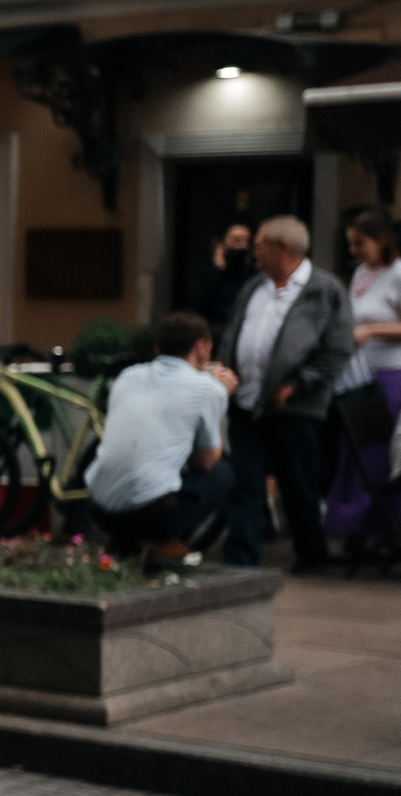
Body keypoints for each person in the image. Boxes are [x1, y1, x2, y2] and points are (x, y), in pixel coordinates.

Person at [215, 214, 354, 572]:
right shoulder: (253, 287)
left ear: (282, 247)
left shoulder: (324, 290)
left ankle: (312, 555)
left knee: (298, 486)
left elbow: (337, 350)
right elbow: (233, 332)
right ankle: (240, 558)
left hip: (294, 407)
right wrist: (226, 367)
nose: (252, 254)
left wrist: (296, 385)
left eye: (258, 245)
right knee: (244, 484)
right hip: (245, 402)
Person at [86, 311, 233, 558]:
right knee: (223, 471)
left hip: (99, 510)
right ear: (201, 347)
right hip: (151, 517)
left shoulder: (128, 376)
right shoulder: (208, 389)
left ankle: (123, 541)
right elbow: (206, 460)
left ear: (157, 347)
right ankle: (162, 544)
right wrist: (220, 394)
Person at [326, 206, 401, 548]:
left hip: (391, 373)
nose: (354, 250)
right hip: (358, 375)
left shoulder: (398, 273)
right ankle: (355, 525)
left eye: (360, 243)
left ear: (382, 240)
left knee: (379, 451)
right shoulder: (359, 275)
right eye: (351, 244)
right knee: (355, 447)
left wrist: (371, 331)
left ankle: (382, 526)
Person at [191, 221, 258, 331]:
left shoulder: (251, 273)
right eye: (237, 240)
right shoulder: (203, 271)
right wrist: (217, 271)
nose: (243, 246)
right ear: (220, 244)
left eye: (247, 242)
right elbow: (199, 303)